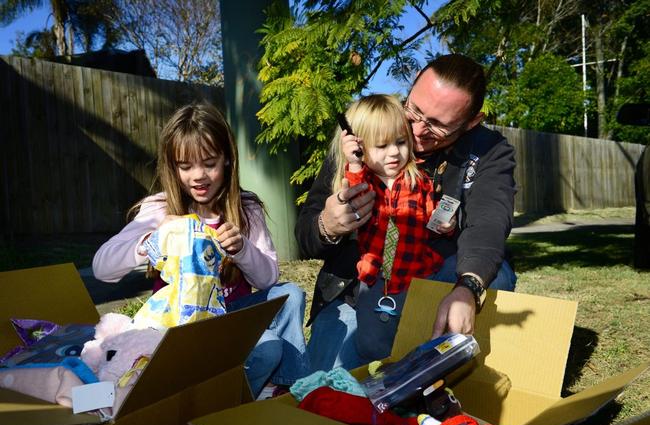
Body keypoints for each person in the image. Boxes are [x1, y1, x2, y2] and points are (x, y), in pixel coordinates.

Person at [296, 54, 517, 371]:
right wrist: (327, 225)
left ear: (471, 122)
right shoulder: (366, 128)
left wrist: (468, 287)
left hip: (434, 286)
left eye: (437, 125)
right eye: (413, 110)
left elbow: (488, 223)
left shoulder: (487, 151)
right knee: (329, 398)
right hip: (355, 292)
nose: (415, 130)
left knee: (499, 274)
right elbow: (305, 235)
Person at [92, 102, 310, 398]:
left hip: (227, 320)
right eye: (186, 166)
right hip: (182, 327)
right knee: (268, 347)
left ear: (228, 160)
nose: (198, 176)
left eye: (209, 163)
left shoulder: (247, 209)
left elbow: (268, 280)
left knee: (292, 295)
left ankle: (288, 388)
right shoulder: (159, 208)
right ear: (173, 166)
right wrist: (154, 240)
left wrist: (242, 248)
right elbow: (101, 268)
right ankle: (233, 399)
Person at [335, 94, 455, 363]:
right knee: (371, 342)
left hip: (417, 275)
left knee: (415, 336)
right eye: (381, 145)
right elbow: (352, 196)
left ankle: (411, 380)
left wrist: (445, 225)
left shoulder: (418, 180)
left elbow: (431, 220)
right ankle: (381, 382)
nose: (394, 152)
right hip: (375, 278)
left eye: (401, 142)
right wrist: (354, 163)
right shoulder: (362, 180)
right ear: (360, 148)